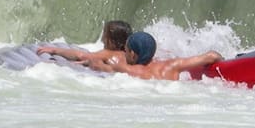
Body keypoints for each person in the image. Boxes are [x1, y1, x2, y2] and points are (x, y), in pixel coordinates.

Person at [85, 31, 223, 80]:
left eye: (126, 51)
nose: (124, 54)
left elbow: (96, 65)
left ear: (133, 54)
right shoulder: (171, 66)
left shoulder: (127, 70)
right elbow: (212, 55)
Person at [36, 20, 132, 64]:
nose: (102, 40)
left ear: (112, 41)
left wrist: (54, 50)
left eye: (105, 35)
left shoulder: (110, 54)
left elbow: (81, 56)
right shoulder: (128, 56)